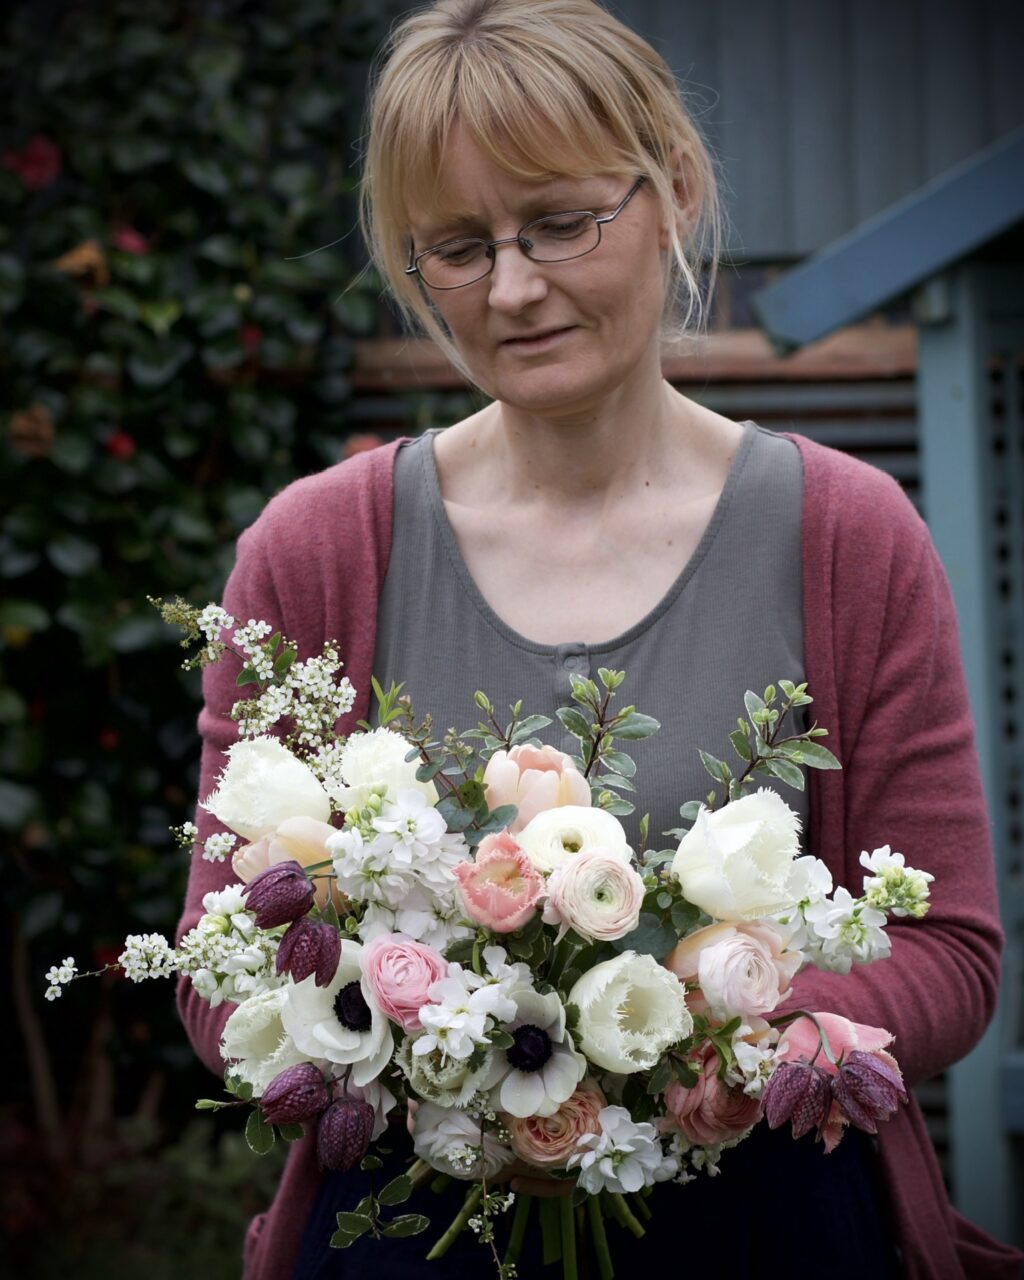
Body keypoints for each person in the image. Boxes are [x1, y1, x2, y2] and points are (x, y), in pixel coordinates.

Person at [176, 2, 1021, 1277]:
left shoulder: (846, 535)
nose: (513, 288)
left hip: (769, 1230)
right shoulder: (315, 553)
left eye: (561, 222)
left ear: (674, 188)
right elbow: (220, 967)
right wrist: (451, 1047)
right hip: (412, 1241)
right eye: (458, 247)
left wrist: (695, 1040)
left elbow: (948, 950)